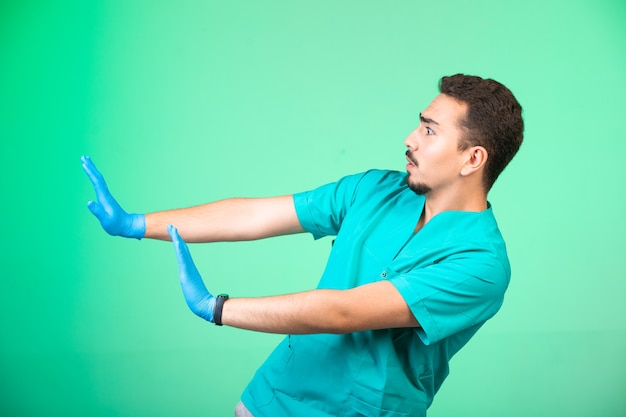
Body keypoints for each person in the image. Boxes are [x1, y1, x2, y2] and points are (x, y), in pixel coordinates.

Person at [82, 73, 524, 417]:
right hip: (273, 401)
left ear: (473, 158)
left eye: (429, 131)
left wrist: (217, 307)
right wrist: (138, 224)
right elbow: (255, 214)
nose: (410, 138)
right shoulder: (373, 190)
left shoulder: (481, 264)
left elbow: (342, 312)